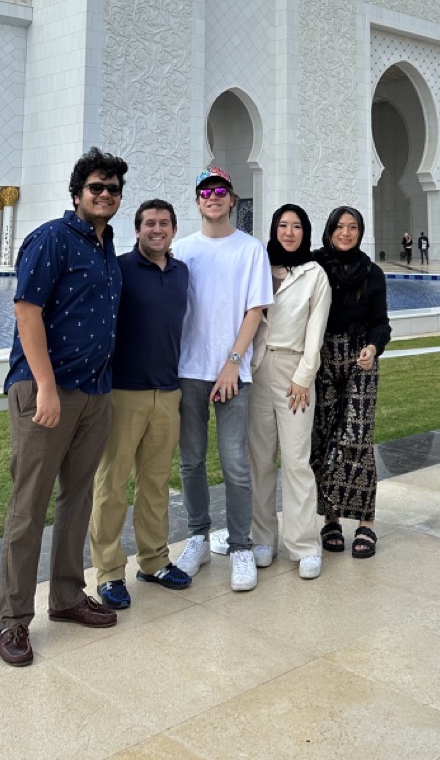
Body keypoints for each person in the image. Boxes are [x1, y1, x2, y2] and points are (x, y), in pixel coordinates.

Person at [0, 147, 127, 667]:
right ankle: (12, 620)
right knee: (28, 507)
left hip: (94, 393)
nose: (106, 195)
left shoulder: (106, 245)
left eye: (114, 189)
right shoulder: (52, 237)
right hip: (47, 391)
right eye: (97, 187)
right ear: (78, 194)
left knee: (77, 500)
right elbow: (27, 311)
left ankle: (68, 596)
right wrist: (46, 388)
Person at [172, 167, 272, 593]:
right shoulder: (181, 249)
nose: (213, 197)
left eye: (220, 191)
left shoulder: (250, 250)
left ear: (232, 200)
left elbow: (255, 310)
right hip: (188, 372)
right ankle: (197, 536)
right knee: (191, 460)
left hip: (234, 372)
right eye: (205, 191)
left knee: (235, 463)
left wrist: (233, 362)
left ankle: (240, 545)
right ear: (197, 201)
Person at [218, 204, 331, 580]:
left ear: (306, 231)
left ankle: (304, 544)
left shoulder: (315, 275)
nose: (288, 232)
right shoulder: (260, 266)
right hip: (256, 369)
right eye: (282, 225)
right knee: (259, 459)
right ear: (274, 229)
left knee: (297, 460)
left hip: (294, 372)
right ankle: (262, 537)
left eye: (296, 226)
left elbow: (316, 333)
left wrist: (303, 376)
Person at [89, 199, 192, 610]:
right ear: (137, 229)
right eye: (149, 223)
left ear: (173, 229)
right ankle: (110, 572)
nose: (157, 229)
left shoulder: (182, 271)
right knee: (112, 484)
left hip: (167, 393)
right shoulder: (120, 269)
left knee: (155, 484)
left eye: (164, 223)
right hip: (124, 393)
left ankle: (154, 560)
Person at [311, 206, 391, 560]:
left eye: (353, 227)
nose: (346, 233)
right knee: (324, 436)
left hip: (360, 360)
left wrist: (373, 347)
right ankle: (330, 518)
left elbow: (381, 322)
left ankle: (366, 522)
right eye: (340, 227)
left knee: (357, 438)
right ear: (329, 230)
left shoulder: (372, 273)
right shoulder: (314, 266)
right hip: (320, 359)